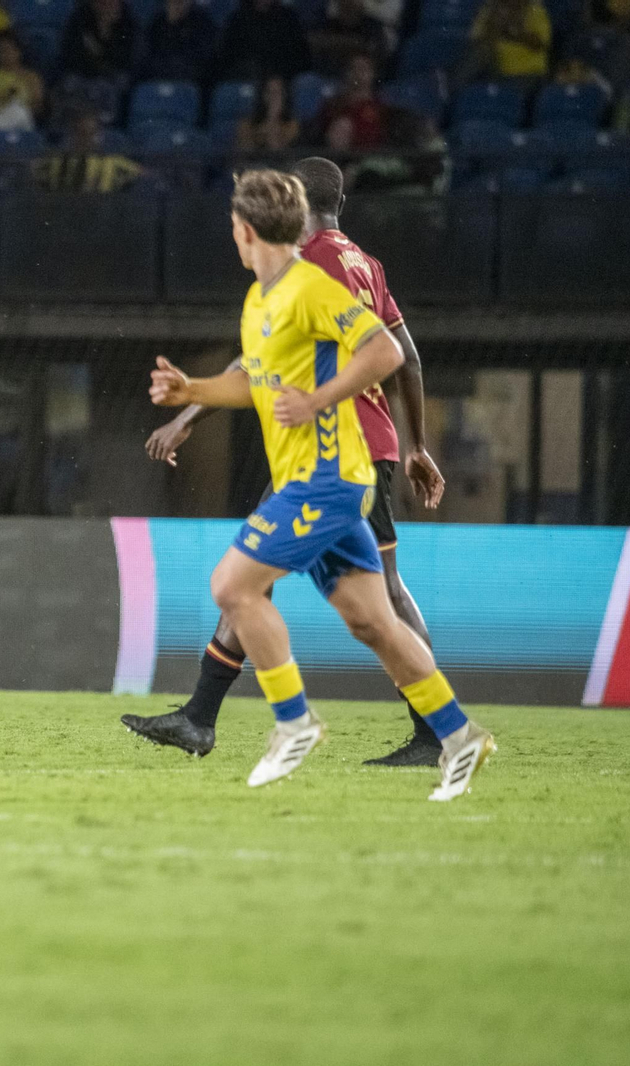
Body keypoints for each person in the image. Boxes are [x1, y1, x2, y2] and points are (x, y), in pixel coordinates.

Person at [134, 168, 492, 801]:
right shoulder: (264, 298)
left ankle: (291, 722)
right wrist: (191, 393)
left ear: (246, 230)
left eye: (233, 228)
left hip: (330, 474)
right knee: (372, 618)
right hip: (319, 472)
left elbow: (387, 352)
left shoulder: (312, 279)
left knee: (234, 585)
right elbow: (256, 380)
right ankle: (457, 734)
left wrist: (321, 400)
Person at [33, 108, 144, 190]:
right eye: (81, 133)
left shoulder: (112, 161)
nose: (86, 138)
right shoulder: (55, 161)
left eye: (91, 134)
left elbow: (142, 173)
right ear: (72, 135)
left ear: (98, 135)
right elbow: (32, 171)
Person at [214, 0, 311, 81]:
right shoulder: (238, 20)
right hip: (247, 79)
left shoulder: (288, 18)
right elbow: (227, 56)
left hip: (282, 79)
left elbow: (300, 55)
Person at [459, 0, 552, 84]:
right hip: (495, 70)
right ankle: (450, 90)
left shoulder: (534, 11)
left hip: (526, 72)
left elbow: (540, 44)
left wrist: (514, 32)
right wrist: (494, 26)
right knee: (481, 51)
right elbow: (476, 38)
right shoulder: (490, 10)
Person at [0, 30, 44, 134]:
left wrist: (16, 101)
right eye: (1, 51)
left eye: (8, 50)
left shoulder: (30, 77)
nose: (5, 54)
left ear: (18, 51)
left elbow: (38, 107)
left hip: (20, 119)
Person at [315, 52, 386, 153]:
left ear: (373, 73)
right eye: (353, 68)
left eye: (363, 69)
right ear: (346, 72)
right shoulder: (333, 105)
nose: (358, 73)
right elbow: (320, 134)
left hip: (368, 158)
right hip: (335, 159)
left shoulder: (381, 108)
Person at [141, 0, 219, 84]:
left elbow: (205, 57)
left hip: (192, 79)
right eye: (173, 2)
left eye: (180, 2)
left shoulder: (203, 22)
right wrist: (171, 26)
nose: (176, 6)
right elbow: (148, 56)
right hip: (159, 77)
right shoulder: (156, 23)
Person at [307, 0, 389, 76]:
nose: (348, 7)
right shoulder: (328, 25)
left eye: (352, 5)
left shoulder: (372, 25)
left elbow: (375, 50)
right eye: (344, 3)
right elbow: (314, 41)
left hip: (363, 80)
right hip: (330, 77)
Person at [235, 75, 300, 154]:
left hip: (279, 164)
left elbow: (276, 150)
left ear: (284, 96)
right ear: (262, 95)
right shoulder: (246, 124)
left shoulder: (292, 125)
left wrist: (273, 117)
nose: (273, 97)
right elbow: (246, 151)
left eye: (277, 93)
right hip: (254, 164)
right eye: (269, 92)